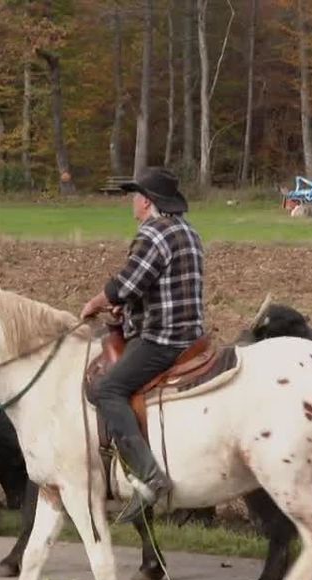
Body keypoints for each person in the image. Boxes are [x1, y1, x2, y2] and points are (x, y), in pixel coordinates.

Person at [80, 166, 206, 523]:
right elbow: (151, 286)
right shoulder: (188, 231)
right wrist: (127, 305)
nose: (132, 202)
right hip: (192, 336)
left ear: (148, 202)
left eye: (135, 196)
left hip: (162, 339)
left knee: (107, 390)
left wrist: (95, 303)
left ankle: (149, 475)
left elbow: (124, 285)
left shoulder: (154, 233)